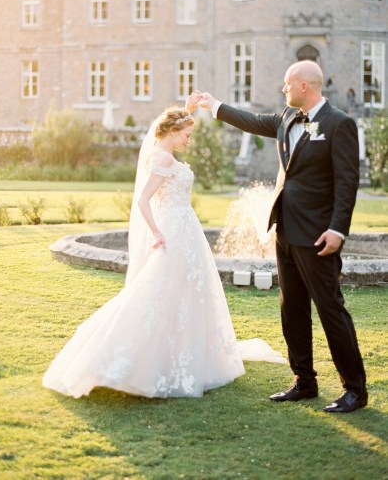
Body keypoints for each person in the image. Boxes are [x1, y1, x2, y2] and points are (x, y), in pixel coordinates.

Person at [43, 106, 285, 399]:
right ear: (171, 132)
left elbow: (167, 175)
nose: (189, 140)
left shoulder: (163, 153)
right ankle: (114, 357)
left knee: (181, 293)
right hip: (172, 232)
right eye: (186, 134)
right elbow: (144, 200)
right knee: (155, 291)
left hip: (184, 229)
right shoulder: (162, 157)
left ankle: (180, 353)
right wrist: (158, 232)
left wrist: (187, 108)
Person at [193, 60, 367, 413]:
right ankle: (304, 381)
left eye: (287, 84)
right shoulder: (287, 118)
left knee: (331, 309)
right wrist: (213, 105)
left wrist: (337, 230)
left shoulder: (339, 124)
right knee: (292, 309)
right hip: (284, 229)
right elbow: (254, 121)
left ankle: (355, 390)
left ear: (305, 86)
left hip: (319, 236)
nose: (282, 88)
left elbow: (347, 182)